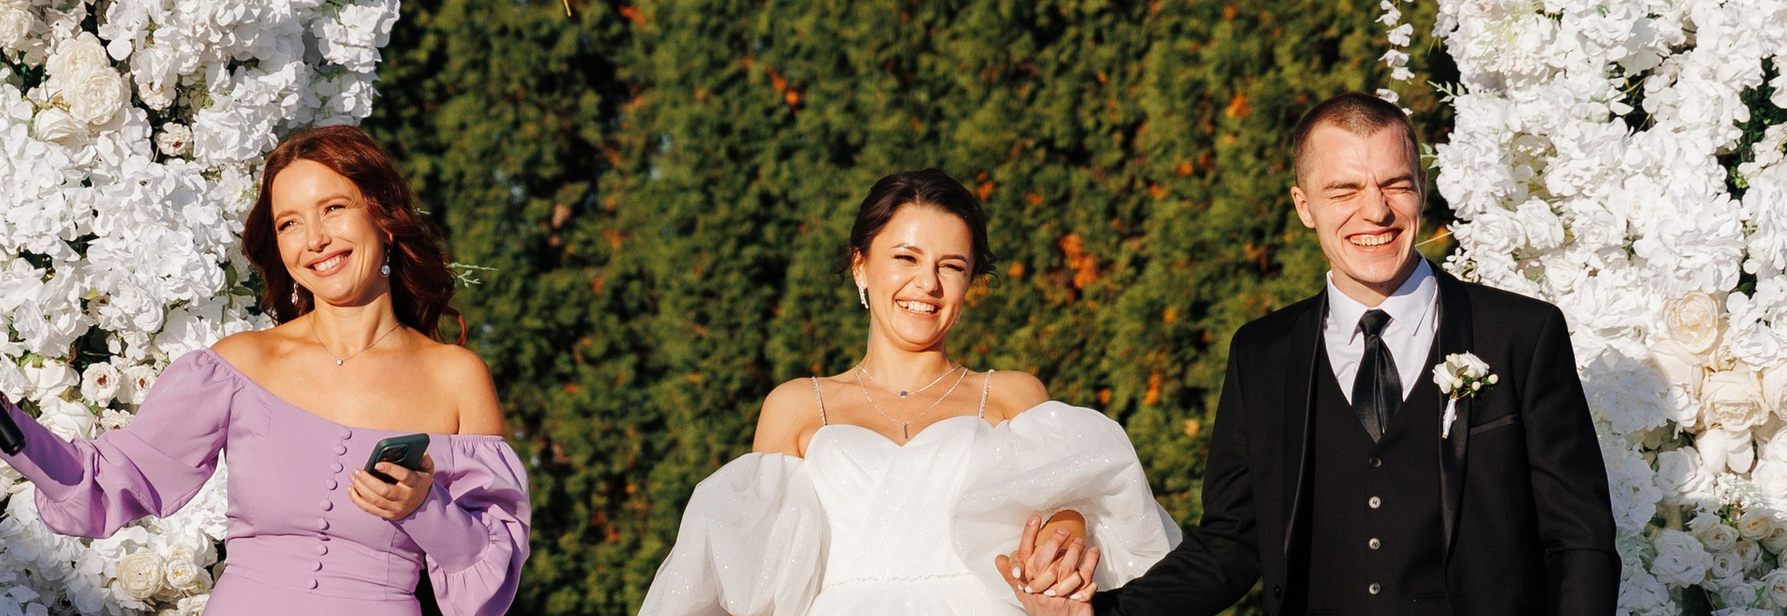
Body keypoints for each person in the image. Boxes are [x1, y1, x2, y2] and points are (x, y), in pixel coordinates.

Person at [1004, 94, 1619, 616]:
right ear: (1304, 206)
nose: (1375, 211)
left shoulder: (1521, 334)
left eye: (1395, 184)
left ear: (1421, 190)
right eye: (1344, 189)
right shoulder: (1262, 355)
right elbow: (1232, 542)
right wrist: (1104, 611)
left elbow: (1580, 539)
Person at [0, 124, 530, 616]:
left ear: (383, 217)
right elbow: (103, 483)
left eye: (334, 208)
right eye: (290, 223)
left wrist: (424, 507)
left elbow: (488, 574)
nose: (315, 239)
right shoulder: (239, 366)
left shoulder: (455, 379)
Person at [639, 169, 1179, 616]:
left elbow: (1075, 514)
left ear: (970, 282)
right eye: (906, 257)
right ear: (861, 266)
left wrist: (1064, 536)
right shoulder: (797, 406)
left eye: (952, 266)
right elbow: (755, 581)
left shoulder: (1014, 396)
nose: (928, 283)